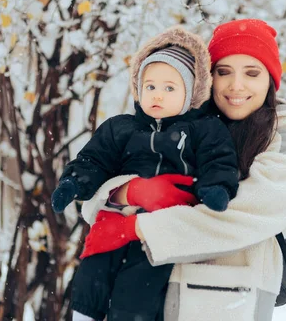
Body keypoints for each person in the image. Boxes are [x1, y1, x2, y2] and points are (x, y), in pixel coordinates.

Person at [79, 19, 286, 321]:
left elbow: (236, 219)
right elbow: (93, 201)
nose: (236, 85)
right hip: (143, 300)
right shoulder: (181, 128)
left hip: (224, 307)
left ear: (271, 81)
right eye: (224, 72)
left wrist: (134, 228)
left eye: (252, 73)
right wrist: (126, 191)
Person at [52, 26, 240, 321]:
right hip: (115, 219)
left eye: (169, 88)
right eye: (150, 86)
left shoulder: (203, 129)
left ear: (190, 92)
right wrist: (74, 183)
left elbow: (218, 161)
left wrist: (215, 189)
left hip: (161, 228)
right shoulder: (121, 127)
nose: (157, 95)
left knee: (137, 287)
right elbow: (94, 159)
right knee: (92, 274)